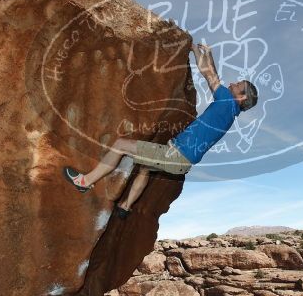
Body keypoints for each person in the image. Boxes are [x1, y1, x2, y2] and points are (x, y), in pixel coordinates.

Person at [64, 43, 259, 218]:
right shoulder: (229, 115)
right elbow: (213, 75)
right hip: (182, 162)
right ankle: (125, 206)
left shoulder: (226, 101)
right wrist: (208, 55)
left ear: (241, 98)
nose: (232, 84)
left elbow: (209, 74)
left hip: (174, 155)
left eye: (237, 85)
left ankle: (84, 181)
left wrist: (192, 47)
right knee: (147, 167)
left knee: (121, 145)